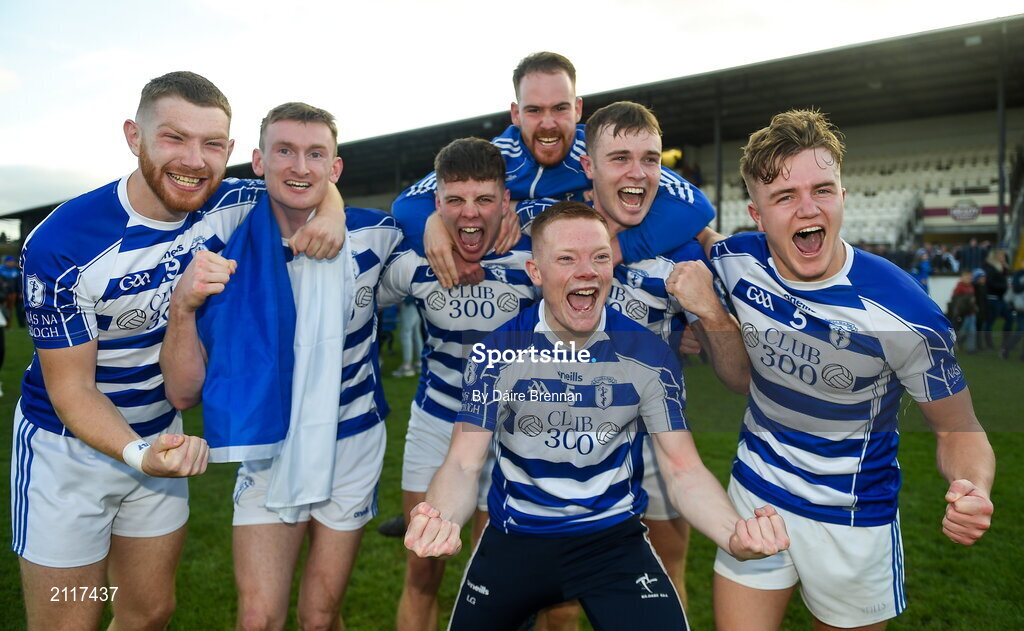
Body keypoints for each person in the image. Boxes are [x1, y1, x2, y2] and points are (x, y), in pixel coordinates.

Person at [11, 73, 343, 631]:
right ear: (133, 137)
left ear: (232, 152)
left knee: (149, 613)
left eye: (212, 144)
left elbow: (304, 180)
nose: (194, 160)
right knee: (72, 621)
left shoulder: (230, 202)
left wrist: (330, 210)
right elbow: (72, 388)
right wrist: (139, 453)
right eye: (173, 138)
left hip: (162, 437)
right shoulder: (61, 243)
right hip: (68, 454)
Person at [404, 201, 789, 631]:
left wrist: (733, 533)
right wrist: (438, 519)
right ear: (536, 273)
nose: (587, 271)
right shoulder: (497, 352)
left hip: (612, 541)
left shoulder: (648, 355)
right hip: (516, 539)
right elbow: (462, 461)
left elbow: (683, 469)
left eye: (600, 257)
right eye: (566, 259)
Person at [697, 109, 994, 631]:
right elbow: (667, 217)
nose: (807, 208)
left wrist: (973, 488)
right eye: (784, 196)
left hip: (852, 520)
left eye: (822, 189)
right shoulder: (735, 259)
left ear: (843, 196)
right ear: (757, 214)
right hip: (755, 495)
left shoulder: (904, 310)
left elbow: (958, 428)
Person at [160, 102, 401, 631]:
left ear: (335, 169)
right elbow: (182, 394)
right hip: (271, 447)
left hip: (352, 444)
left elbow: (443, 229)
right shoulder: (223, 249)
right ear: (258, 161)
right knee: (258, 619)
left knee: (319, 618)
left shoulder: (377, 236)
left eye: (316, 154)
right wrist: (183, 307)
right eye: (285, 151)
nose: (300, 167)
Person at [516, 101, 751, 621]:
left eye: (650, 159)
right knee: (561, 602)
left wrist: (708, 318)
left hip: (658, 445)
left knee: (665, 576)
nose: (638, 173)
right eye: (619, 157)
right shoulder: (548, 231)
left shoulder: (684, 249)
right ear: (587, 167)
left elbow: (734, 374)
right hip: (564, 442)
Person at [378, 138, 539, 631]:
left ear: (505, 202)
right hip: (436, 423)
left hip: (512, 431)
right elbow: (355, 305)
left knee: (489, 576)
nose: (470, 215)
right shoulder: (412, 263)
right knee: (422, 569)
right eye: (455, 201)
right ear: (438, 204)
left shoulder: (535, 258)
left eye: (485, 200)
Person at [392, 51, 714, 288]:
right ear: (516, 115)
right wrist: (435, 227)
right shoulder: (496, 158)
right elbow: (407, 204)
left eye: (560, 108)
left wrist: (616, 249)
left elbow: (695, 205)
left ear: (577, 109)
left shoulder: (603, 151)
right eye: (534, 110)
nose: (548, 124)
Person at [948, 269, 978, 353]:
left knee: (972, 330)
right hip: (963, 313)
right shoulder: (959, 288)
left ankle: (971, 348)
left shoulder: (971, 287)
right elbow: (957, 302)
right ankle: (956, 344)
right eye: (967, 277)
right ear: (962, 278)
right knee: (961, 331)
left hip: (970, 312)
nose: (969, 279)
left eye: (970, 278)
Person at [393, 295, 424, 377]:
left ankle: (407, 366)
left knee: (406, 334)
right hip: (418, 302)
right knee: (416, 334)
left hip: (409, 302)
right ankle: (419, 363)